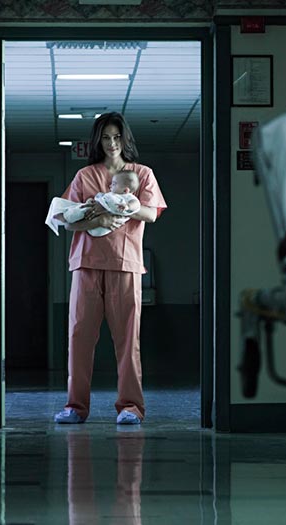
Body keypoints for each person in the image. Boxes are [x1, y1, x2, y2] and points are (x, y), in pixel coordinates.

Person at [52, 112, 167, 425]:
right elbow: (66, 218)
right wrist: (99, 220)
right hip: (86, 264)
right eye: (106, 137)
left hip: (125, 264)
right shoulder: (84, 176)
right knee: (79, 337)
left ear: (125, 139)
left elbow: (152, 214)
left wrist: (126, 206)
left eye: (117, 137)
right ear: (97, 141)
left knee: (128, 340)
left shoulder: (142, 174)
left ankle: (131, 407)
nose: (112, 143)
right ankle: (75, 406)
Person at [45, 170, 142, 238]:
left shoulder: (127, 197)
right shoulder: (111, 194)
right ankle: (62, 216)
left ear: (125, 190)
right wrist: (92, 202)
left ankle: (65, 216)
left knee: (83, 210)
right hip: (93, 221)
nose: (110, 185)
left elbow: (136, 204)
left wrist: (128, 206)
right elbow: (101, 200)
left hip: (102, 228)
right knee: (83, 207)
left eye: (114, 183)